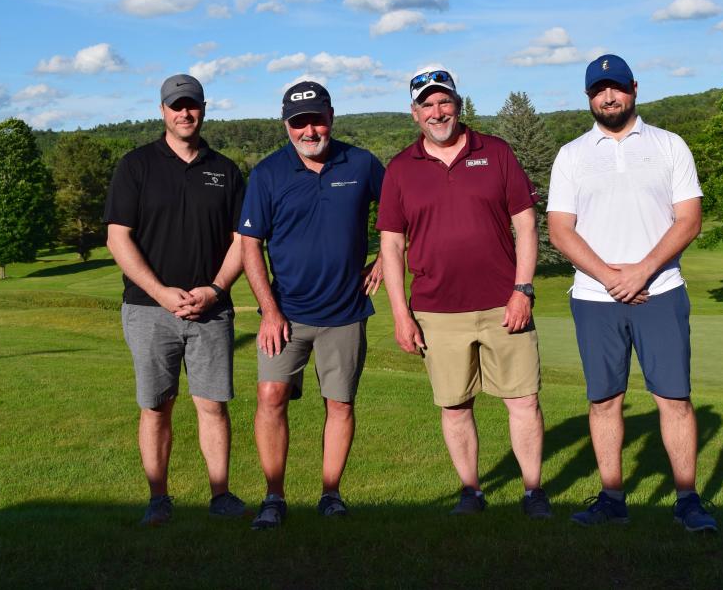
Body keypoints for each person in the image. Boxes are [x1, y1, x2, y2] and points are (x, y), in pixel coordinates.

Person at [546, 54, 718, 532]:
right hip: (595, 298)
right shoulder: (572, 155)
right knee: (604, 399)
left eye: (617, 87)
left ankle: (687, 499)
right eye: (600, 90)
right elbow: (560, 229)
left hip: (660, 291)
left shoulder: (669, 145)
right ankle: (612, 498)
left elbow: (690, 219)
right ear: (588, 97)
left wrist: (641, 271)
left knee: (675, 399)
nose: (609, 96)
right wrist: (609, 276)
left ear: (634, 89)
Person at [378, 65, 551, 519]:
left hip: (503, 302)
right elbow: (392, 245)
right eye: (427, 104)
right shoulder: (399, 168)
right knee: (455, 406)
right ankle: (471, 492)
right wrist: (401, 313)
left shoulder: (495, 152)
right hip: (437, 310)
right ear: (413, 113)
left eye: (444, 101)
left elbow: (526, 223)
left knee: (524, 400)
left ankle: (533, 492)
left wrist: (523, 289)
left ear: (459, 104)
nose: (438, 112)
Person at [239, 81, 385, 529]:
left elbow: (407, 216)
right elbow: (249, 245)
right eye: (298, 122)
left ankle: (330, 493)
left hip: (345, 311)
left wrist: (384, 260)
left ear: (331, 117)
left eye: (316, 119)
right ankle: (273, 496)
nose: (309, 129)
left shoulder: (361, 164)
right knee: (270, 394)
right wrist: (268, 310)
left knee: (339, 403)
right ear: (286, 125)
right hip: (286, 313)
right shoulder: (268, 173)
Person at [104, 73, 247, 526]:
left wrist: (216, 289)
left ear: (204, 109)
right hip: (149, 311)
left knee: (212, 404)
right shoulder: (136, 165)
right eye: (176, 106)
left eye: (192, 105)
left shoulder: (224, 170)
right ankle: (158, 498)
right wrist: (162, 293)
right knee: (155, 405)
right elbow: (118, 239)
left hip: (211, 309)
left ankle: (220, 494)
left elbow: (242, 241)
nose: (184, 113)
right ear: (162, 110)